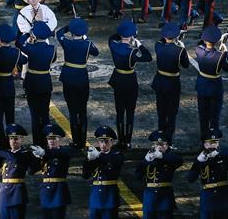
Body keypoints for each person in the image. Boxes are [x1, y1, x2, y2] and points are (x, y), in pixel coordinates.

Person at [35, 123, 73, 219]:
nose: (51, 141)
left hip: (58, 194)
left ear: (59, 140)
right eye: (49, 139)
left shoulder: (63, 151)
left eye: (54, 138)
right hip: (46, 194)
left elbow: (64, 154)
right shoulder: (45, 154)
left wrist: (45, 154)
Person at [107, 20, 152, 149]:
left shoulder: (113, 46)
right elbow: (148, 57)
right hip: (130, 81)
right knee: (130, 113)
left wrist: (123, 34)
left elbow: (112, 37)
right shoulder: (132, 52)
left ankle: (120, 140)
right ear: (132, 36)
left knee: (120, 112)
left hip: (118, 79)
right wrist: (139, 45)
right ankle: (127, 141)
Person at [55, 18, 99, 149]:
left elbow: (59, 33)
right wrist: (85, 38)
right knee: (82, 110)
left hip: (69, 77)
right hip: (81, 78)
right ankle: (82, 141)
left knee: (72, 110)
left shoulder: (66, 42)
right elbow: (96, 52)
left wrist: (69, 26)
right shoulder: (88, 44)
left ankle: (75, 141)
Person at [18, 21, 57, 147]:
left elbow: (18, 42)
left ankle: (37, 142)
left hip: (32, 82)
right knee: (45, 114)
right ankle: (47, 142)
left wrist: (28, 34)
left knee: (35, 114)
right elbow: (53, 59)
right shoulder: (52, 49)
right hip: (45, 82)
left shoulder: (31, 47)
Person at [151, 22, 190, 141]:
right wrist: (181, 45)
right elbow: (186, 65)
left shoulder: (158, 46)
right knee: (172, 113)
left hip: (160, 82)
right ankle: (169, 139)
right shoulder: (180, 51)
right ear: (176, 36)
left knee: (161, 111)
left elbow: (161, 41)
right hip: (173, 83)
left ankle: (161, 137)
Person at [195, 25, 228, 133]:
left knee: (203, 115)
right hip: (215, 87)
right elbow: (227, 68)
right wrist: (225, 50)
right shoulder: (220, 55)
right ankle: (213, 138)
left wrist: (219, 40)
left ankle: (204, 138)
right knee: (215, 115)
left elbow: (201, 44)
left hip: (201, 85)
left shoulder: (198, 50)